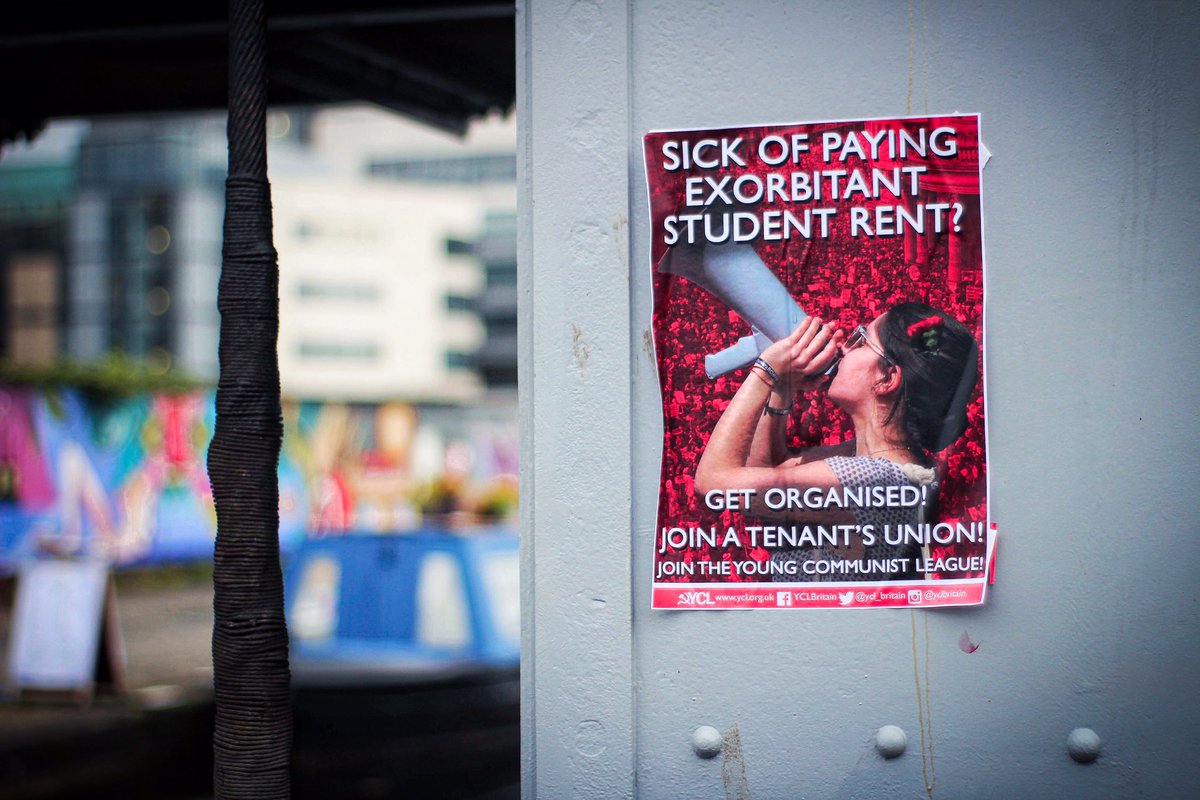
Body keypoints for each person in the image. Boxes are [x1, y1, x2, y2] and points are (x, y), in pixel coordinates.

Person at [694, 301, 978, 582]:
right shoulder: (877, 463)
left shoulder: (874, 479)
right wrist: (783, 387)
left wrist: (766, 370)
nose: (845, 347)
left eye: (862, 341)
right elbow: (767, 469)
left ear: (887, 377)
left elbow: (715, 484)